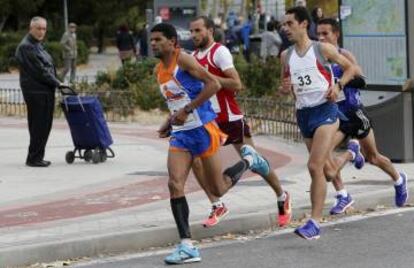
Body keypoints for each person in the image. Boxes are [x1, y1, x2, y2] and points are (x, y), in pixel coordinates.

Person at [151, 22, 268, 265]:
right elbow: (175, 101)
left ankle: (249, 160)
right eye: (151, 40)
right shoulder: (158, 71)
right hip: (182, 134)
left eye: (158, 39)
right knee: (175, 184)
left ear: (172, 42)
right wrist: (169, 121)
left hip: (204, 129)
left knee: (218, 189)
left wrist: (188, 109)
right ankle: (187, 245)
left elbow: (214, 85)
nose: (153, 43)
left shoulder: (183, 60)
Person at [189, 16, 292, 228]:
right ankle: (217, 204)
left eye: (198, 30)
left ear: (209, 30)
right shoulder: (192, 56)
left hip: (229, 117)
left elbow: (237, 83)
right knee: (196, 161)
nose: (194, 35)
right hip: (207, 120)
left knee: (257, 163)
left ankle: (282, 196)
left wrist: (210, 79)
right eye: (192, 32)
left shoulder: (220, 52)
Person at [279, 7, 357, 240]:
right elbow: (286, 84)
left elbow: (350, 68)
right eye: (284, 25)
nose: (285, 28)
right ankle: (352, 153)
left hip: (326, 111)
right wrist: (284, 89)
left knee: (314, 166)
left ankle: (314, 222)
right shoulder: (286, 55)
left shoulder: (321, 49)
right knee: (328, 170)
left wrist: (338, 85)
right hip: (304, 115)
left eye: (290, 24)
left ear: (304, 24)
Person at [316, 18, 408, 214]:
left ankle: (399, 179)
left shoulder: (343, 55)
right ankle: (343, 195)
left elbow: (361, 80)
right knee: (323, 156)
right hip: (334, 115)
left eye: (326, 33)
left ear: (336, 35)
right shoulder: (317, 59)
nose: (321, 37)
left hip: (354, 112)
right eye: (319, 34)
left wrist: (340, 82)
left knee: (373, 157)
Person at [15, 17, 63, 167]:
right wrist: (59, 83)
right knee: (39, 125)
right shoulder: (27, 47)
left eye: (44, 29)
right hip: (36, 92)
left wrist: (58, 81)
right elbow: (40, 71)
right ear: (31, 29)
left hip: (44, 91)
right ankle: (33, 158)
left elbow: (48, 67)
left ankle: (37, 156)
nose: (42, 31)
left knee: (44, 125)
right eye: (39, 28)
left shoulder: (37, 45)